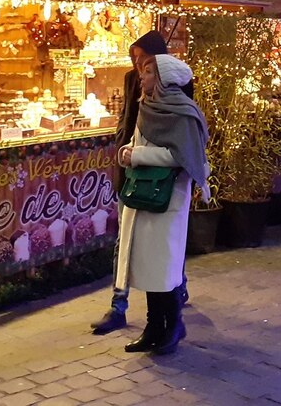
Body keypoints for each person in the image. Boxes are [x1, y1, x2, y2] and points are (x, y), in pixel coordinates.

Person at [92, 30, 186, 335]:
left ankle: (170, 309)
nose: (138, 67)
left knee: (165, 248)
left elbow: (181, 147)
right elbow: (127, 119)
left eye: (144, 62)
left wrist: (142, 154)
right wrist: (123, 149)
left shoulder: (176, 87)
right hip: (131, 170)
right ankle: (120, 304)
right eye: (135, 60)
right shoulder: (133, 81)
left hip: (160, 179)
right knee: (126, 238)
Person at [115, 55, 209, 356]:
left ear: (164, 78)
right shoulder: (147, 107)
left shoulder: (183, 113)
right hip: (144, 196)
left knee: (163, 268)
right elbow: (137, 142)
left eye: (148, 72)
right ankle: (153, 326)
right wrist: (127, 152)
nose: (141, 77)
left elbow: (183, 157)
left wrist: (139, 156)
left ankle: (173, 326)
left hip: (168, 199)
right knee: (147, 267)